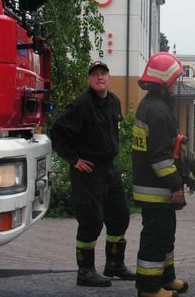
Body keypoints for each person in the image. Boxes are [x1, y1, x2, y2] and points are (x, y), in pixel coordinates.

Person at [50, 61, 135, 288]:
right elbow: (57, 132)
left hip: (110, 169)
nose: (100, 77)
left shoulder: (114, 102)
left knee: (120, 216)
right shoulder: (81, 105)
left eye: (103, 73)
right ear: (89, 79)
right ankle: (85, 272)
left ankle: (114, 265)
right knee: (91, 220)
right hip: (88, 171)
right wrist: (74, 160)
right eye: (95, 74)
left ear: (109, 77)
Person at [132, 52, 188, 297]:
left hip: (151, 187)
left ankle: (166, 279)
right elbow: (159, 157)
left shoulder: (150, 105)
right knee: (155, 239)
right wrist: (176, 184)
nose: (176, 85)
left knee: (165, 236)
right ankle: (149, 289)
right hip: (156, 189)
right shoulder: (159, 112)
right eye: (174, 80)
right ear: (164, 82)